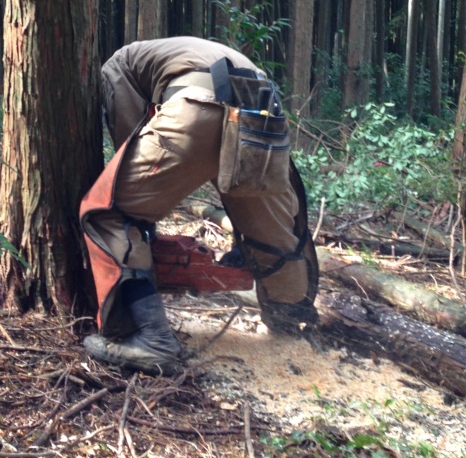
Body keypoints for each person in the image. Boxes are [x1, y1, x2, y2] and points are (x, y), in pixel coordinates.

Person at [79, 36, 318, 374]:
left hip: (201, 106)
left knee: (109, 213)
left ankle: (151, 339)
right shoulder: (182, 50)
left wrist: (142, 217)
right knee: (273, 237)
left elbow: (129, 135)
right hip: (265, 115)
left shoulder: (118, 63)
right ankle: (296, 332)